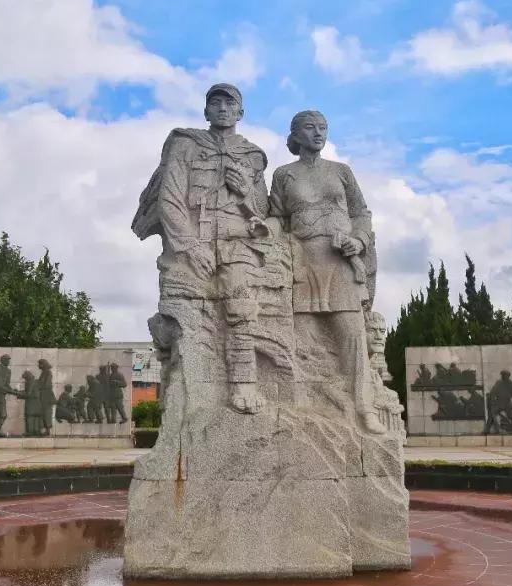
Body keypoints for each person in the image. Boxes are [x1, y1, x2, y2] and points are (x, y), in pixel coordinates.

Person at [132, 83, 273, 414]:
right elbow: (170, 198)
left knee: (240, 305)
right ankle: (182, 384)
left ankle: (243, 383)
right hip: (191, 243)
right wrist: (189, 246)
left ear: (240, 112)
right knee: (177, 318)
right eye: (216, 103)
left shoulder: (252, 156)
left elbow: (262, 212)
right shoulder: (185, 144)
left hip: (237, 240)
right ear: (206, 110)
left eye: (230, 103)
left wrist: (245, 193)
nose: (223, 108)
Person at [269, 110, 384, 434]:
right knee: (303, 341)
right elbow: (278, 216)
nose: (318, 133)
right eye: (310, 127)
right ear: (295, 134)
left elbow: (362, 214)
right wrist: (262, 227)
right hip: (303, 260)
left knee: (353, 336)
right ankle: (305, 407)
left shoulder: (341, 172)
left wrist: (358, 241)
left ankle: (364, 407)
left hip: (340, 261)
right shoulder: (284, 175)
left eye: (323, 127)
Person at [37, 359, 57, 436]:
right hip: (43, 395)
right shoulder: (43, 373)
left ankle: (48, 430)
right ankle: (44, 429)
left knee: (47, 413)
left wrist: (38, 385)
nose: (38, 366)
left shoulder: (48, 372)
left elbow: (47, 385)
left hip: (47, 396)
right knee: (42, 413)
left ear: (43, 364)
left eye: (40, 364)